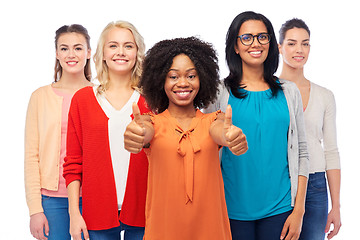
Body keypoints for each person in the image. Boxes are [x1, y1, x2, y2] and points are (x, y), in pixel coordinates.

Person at [124, 36, 248, 239]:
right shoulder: (152, 122)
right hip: (164, 229)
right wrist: (135, 133)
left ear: (203, 79)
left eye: (191, 76)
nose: (183, 83)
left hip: (209, 229)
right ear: (160, 80)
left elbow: (221, 131)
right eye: (173, 77)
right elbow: (143, 130)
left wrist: (230, 136)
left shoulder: (213, 120)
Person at [205, 11, 309, 240]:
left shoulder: (289, 91)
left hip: (280, 209)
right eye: (247, 37)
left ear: (271, 43)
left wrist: (299, 211)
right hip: (231, 208)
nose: (256, 43)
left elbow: (302, 151)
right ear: (235, 45)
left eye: (263, 37)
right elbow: (207, 148)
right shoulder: (218, 93)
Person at [63, 20, 149, 240]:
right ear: (101, 53)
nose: (121, 52)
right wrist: (74, 213)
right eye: (113, 45)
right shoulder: (82, 100)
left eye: (128, 46)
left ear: (138, 52)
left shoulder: (152, 100)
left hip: (145, 214)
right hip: (96, 215)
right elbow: (73, 162)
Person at [25, 24, 92, 240]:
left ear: (89, 52)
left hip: (92, 196)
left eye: (78, 48)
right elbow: (31, 156)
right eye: (64, 48)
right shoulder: (40, 97)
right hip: (52, 199)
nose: (71, 54)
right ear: (56, 53)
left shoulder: (100, 95)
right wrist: (35, 209)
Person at [279, 18, 341, 240]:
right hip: (279, 182)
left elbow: (331, 152)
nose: (299, 50)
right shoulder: (270, 92)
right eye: (292, 43)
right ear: (279, 47)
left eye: (305, 43)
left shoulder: (325, 96)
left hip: (315, 185)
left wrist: (336, 206)